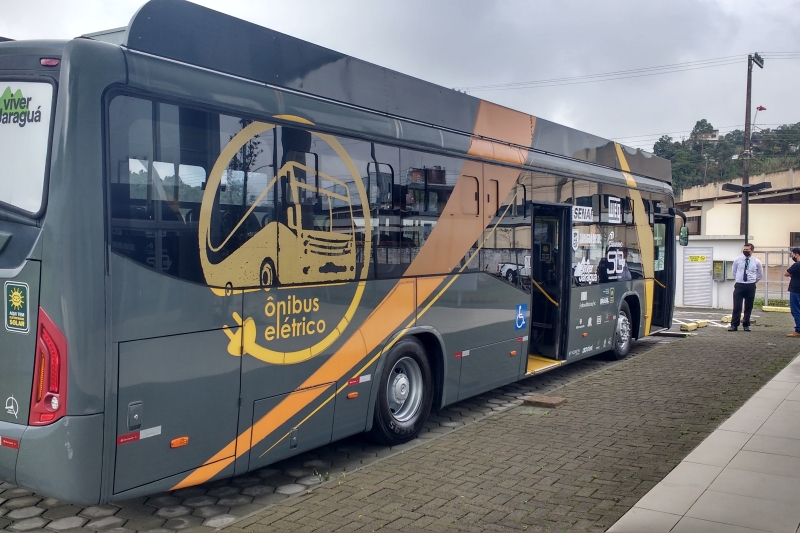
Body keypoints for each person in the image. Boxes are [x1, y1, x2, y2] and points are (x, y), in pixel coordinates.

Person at [728, 243, 763, 332]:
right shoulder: (738, 260)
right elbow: (734, 271)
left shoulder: (756, 261)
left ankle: (746, 324)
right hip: (739, 285)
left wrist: (753, 281)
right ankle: (734, 325)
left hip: (750, 285)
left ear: (752, 250)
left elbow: (760, 274)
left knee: (748, 306)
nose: (745, 251)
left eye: (747, 250)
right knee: (737, 306)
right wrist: (739, 279)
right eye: (744, 249)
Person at [785, 247, 800, 337]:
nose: (792, 256)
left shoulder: (797, 265)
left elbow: (786, 273)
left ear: (796, 254)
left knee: (796, 310)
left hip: (796, 290)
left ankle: (798, 330)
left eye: (792, 254)